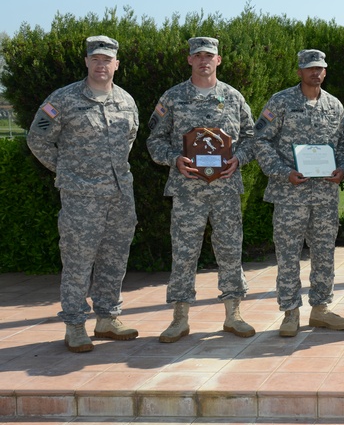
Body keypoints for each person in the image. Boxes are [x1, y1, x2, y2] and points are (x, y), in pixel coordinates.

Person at [27, 35, 140, 353]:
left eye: (108, 60)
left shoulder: (126, 102)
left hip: (120, 197)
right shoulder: (62, 100)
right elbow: (38, 139)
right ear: (87, 62)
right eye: (96, 59)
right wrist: (67, 172)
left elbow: (129, 139)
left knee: (114, 260)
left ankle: (107, 318)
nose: (101, 65)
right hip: (81, 198)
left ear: (116, 64)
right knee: (77, 262)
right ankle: (75, 325)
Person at [147, 37, 257, 343]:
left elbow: (251, 137)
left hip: (225, 190)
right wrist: (174, 159)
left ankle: (233, 315)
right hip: (187, 191)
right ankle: (179, 318)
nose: (204, 60)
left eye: (209, 55)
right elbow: (154, 139)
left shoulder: (233, 98)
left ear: (218, 60)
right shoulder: (172, 97)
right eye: (198, 56)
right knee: (183, 253)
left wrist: (240, 158)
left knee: (230, 250)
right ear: (189, 60)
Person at [255, 49, 344, 336]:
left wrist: (343, 170)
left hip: (324, 195)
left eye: (320, 68)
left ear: (325, 71)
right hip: (290, 194)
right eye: (309, 68)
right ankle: (290, 312)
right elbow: (261, 141)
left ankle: (320, 309)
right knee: (288, 254)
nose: (315, 73)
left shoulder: (334, 106)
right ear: (299, 71)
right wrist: (283, 172)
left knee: (324, 253)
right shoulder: (280, 102)